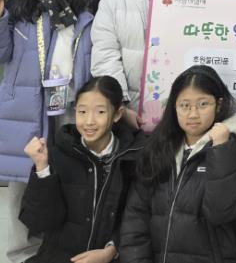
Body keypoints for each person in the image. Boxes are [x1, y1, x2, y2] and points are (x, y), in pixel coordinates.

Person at [0, 0, 104, 262]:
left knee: (71, 179)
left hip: (74, 105)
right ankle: (20, 255)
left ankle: (63, 251)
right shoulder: (22, 1)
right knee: (23, 182)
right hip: (28, 105)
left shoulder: (94, 1)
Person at [119, 65, 236, 263]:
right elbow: (135, 217)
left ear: (219, 105)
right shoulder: (158, 147)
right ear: (174, 106)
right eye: (184, 105)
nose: (193, 114)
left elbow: (221, 212)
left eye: (202, 104)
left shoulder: (232, 151)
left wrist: (221, 149)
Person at [19, 76, 145, 263]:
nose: (89, 121)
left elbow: (138, 217)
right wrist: (42, 169)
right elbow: (39, 222)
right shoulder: (56, 155)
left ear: (117, 114)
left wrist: (111, 250)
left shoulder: (133, 158)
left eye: (100, 112)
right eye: (82, 111)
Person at [90, 0, 203, 122]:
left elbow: (201, 9)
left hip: (179, 103)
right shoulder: (111, 1)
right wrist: (120, 104)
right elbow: (105, 56)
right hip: (130, 106)